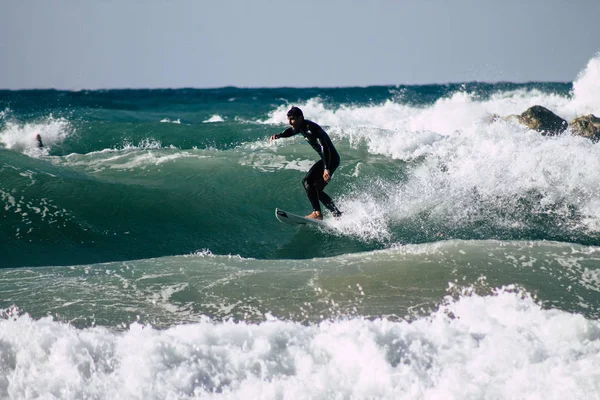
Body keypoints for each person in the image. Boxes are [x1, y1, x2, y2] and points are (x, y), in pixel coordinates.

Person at [270, 106, 342, 220]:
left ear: (300, 118)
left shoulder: (310, 129)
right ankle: (337, 214)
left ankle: (317, 213)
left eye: (292, 119)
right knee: (317, 190)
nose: (290, 122)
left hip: (330, 159)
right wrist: (279, 135)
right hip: (329, 159)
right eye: (288, 119)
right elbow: (291, 131)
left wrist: (326, 168)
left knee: (307, 181)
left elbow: (325, 147)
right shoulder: (300, 126)